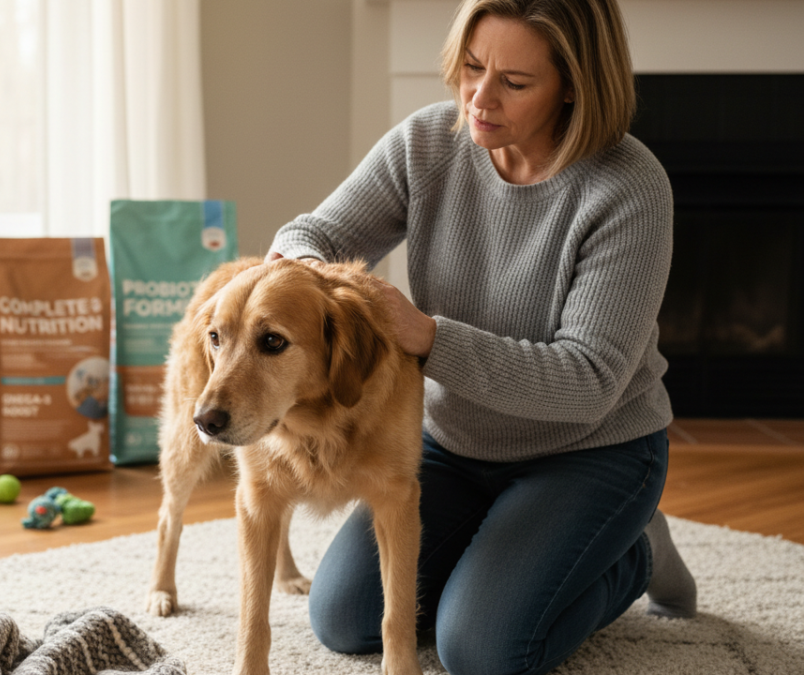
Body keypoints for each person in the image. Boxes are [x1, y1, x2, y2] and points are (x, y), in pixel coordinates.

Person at [265, 1, 697, 674]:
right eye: (471, 67)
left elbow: (587, 382)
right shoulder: (428, 143)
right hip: (454, 441)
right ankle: (514, 550)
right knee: (344, 619)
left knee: (483, 651)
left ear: (575, 85)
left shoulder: (630, 188)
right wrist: (310, 276)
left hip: (591, 450)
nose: (479, 97)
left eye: (514, 83)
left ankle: (633, 552)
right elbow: (307, 236)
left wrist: (427, 337)